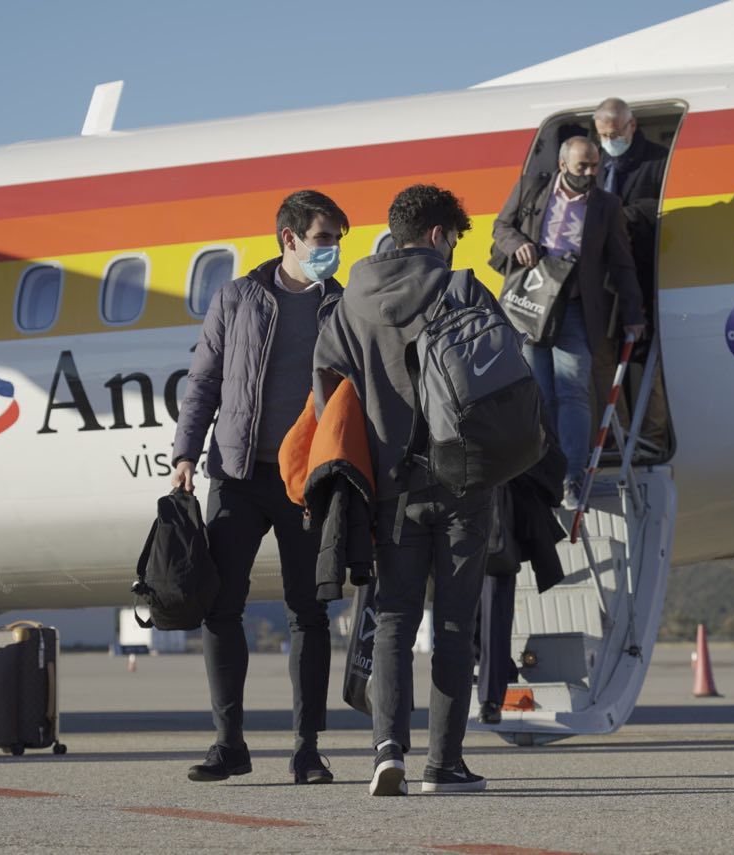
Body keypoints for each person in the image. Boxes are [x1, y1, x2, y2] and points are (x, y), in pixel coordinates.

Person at [313, 184, 498, 796]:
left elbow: (328, 397)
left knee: (392, 620)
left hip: (391, 491)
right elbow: (506, 377)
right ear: (440, 235)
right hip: (464, 483)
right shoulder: (462, 287)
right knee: (452, 624)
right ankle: (443, 766)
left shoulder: (348, 306)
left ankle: (386, 750)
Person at [170, 189, 349, 785]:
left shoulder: (342, 305)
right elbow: (203, 382)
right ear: (289, 239)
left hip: (306, 481)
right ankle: (229, 745)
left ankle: (308, 750)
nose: (332, 250)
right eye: (323, 239)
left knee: (310, 612)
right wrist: (184, 454)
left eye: (336, 241)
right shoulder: (237, 299)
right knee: (221, 609)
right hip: (237, 475)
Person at [492, 136, 646, 507]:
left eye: (595, 166)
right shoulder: (532, 187)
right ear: (563, 165)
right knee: (540, 394)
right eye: (583, 167)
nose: (591, 173)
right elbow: (501, 227)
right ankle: (545, 473)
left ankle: (571, 479)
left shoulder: (606, 205)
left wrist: (633, 315)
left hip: (575, 307)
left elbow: (622, 262)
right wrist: (518, 245)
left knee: (573, 392)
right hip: (531, 303)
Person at [593, 97, 672, 461]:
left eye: (615, 133)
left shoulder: (658, 162)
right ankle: (620, 434)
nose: (610, 140)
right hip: (605, 280)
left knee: (650, 360)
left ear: (632, 127)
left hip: (644, 272)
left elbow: (663, 211)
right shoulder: (595, 165)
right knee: (606, 358)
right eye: (603, 135)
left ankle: (654, 436)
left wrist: (619, 217)